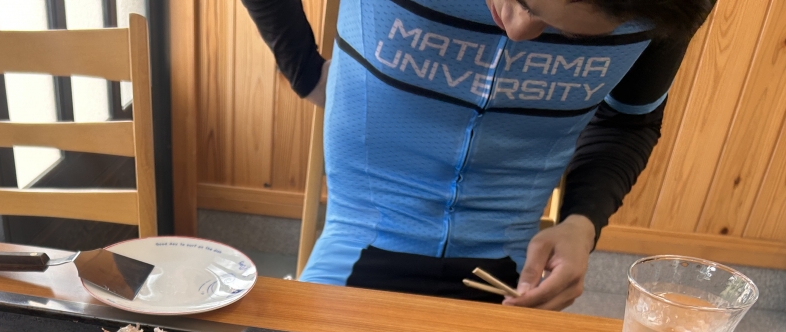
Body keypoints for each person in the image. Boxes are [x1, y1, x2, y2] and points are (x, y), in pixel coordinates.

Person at [241, 0, 713, 309]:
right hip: (357, 234)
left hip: (512, 267)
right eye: (524, 1)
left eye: (565, 31)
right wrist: (304, 70)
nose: (520, 30)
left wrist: (581, 223)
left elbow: (628, 120)